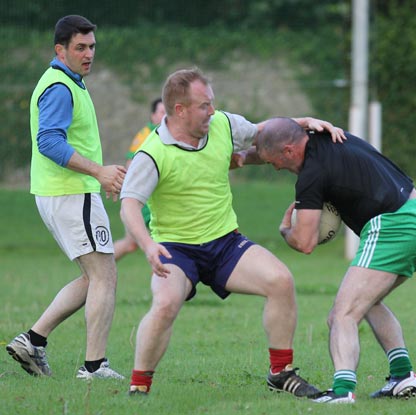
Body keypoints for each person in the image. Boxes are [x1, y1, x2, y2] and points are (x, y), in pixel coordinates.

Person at [119, 67, 346, 396]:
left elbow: (264, 131)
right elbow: (129, 206)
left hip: (225, 243)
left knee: (280, 281)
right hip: (176, 249)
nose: (212, 111)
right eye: (204, 105)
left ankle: (280, 374)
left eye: (212, 103)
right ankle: (139, 387)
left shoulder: (222, 124)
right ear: (180, 110)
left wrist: (304, 122)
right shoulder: (152, 153)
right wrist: (148, 245)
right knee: (166, 303)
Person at [255, 117, 416, 404]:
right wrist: (303, 120)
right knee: (368, 302)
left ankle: (342, 390)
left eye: (274, 162)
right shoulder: (331, 136)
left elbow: (305, 243)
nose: (276, 168)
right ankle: (402, 375)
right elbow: (274, 131)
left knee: (342, 315)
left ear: (289, 151)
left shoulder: (311, 174)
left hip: (394, 226)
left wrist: (285, 231)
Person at [5, 15, 126, 380]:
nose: (88, 54)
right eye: (80, 48)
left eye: (91, 47)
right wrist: (99, 172)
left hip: (63, 194)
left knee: (94, 277)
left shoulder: (68, 82)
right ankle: (94, 367)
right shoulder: (60, 86)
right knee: (105, 275)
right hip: (72, 194)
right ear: (60, 50)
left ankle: (33, 340)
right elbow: (49, 142)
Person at [113, 98, 165, 261]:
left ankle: (97, 269)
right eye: (162, 112)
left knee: (134, 243)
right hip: (145, 203)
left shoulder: (167, 134)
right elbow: (130, 165)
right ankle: (97, 269)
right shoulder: (145, 136)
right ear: (153, 116)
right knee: (158, 242)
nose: (165, 116)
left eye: (168, 112)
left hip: (154, 200)